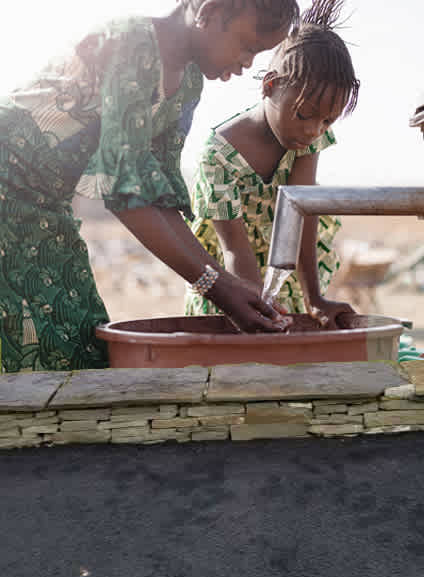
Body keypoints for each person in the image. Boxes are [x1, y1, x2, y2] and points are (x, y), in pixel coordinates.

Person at [0, 0, 301, 373]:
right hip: (6, 193)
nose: (247, 64)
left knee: (76, 343)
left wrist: (224, 283)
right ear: (209, 11)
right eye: (247, 46)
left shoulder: (188, 84)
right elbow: (126, 195)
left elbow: (157, 198)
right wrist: (217, 286)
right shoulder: (132, 43)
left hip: (43, 211)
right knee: (31, 352)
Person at [184, 0, 360, 328]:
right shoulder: (218, 156)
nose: (313, 130)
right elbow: (234, 249)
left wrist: (314, 299)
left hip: (285, 287)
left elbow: (303, 212)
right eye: (305, 114)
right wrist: (259, 312)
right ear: (270, 85)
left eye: (327, 122)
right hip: (234, 294)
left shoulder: (306, 140)